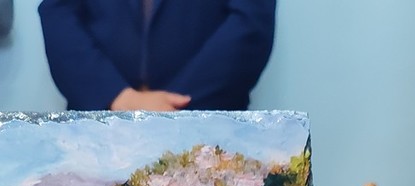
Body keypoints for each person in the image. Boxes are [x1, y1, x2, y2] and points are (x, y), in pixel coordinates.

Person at [38, 0, 275, 112]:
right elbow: (58, 11)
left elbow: (251, 20)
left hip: (211, 130)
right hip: (97, 130)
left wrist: (174, 107)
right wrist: (117, 96)